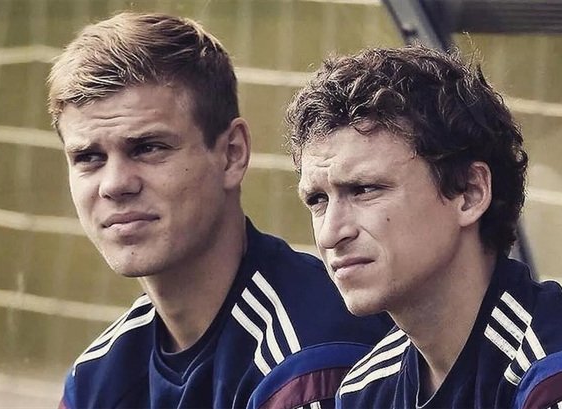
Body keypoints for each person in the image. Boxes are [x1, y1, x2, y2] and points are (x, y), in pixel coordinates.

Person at [47, 12, 391, 409]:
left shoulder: (307, 366)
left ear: (232, 154)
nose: (114, 184)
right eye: (88, 157)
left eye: (148, 148)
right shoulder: (97, 378)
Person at [285, 45, 562, 408]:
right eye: (317, 200)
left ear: (469, 192)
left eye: (365, 190)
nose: (331, 234)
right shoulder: (367, 390)